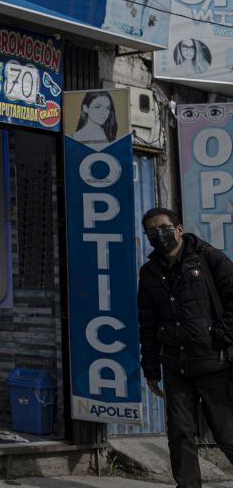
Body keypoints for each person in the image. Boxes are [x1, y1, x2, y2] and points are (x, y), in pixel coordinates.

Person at [138, 208, 233, 488]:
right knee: (180, 435)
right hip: (176, 365)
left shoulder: (208, 258)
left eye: (163, 228)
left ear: (179, 229)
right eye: (151, 231)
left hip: (214, 362)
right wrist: (150, 368)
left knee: (227, 433)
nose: (158, 235)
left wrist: (219, 336)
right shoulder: (149, 272)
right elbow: (148, 322)